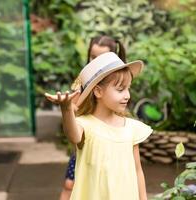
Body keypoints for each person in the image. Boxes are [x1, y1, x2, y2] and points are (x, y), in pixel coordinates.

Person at [45, 52, 153, 200]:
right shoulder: (85, 124)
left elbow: (137, 170)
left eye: (128, 88)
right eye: (120, 89)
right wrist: (66, 108)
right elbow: (73, 135)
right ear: (98, 91)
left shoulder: (131, 128)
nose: (127, 95)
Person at [59, 35, 127, 200]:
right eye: (93, 56)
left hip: (108, 141)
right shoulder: (83, 78)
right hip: (85, 135)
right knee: (70, 183)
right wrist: (69, 107)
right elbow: (74, 105)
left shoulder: (118, 80)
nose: (95, 61)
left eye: (101, 57)